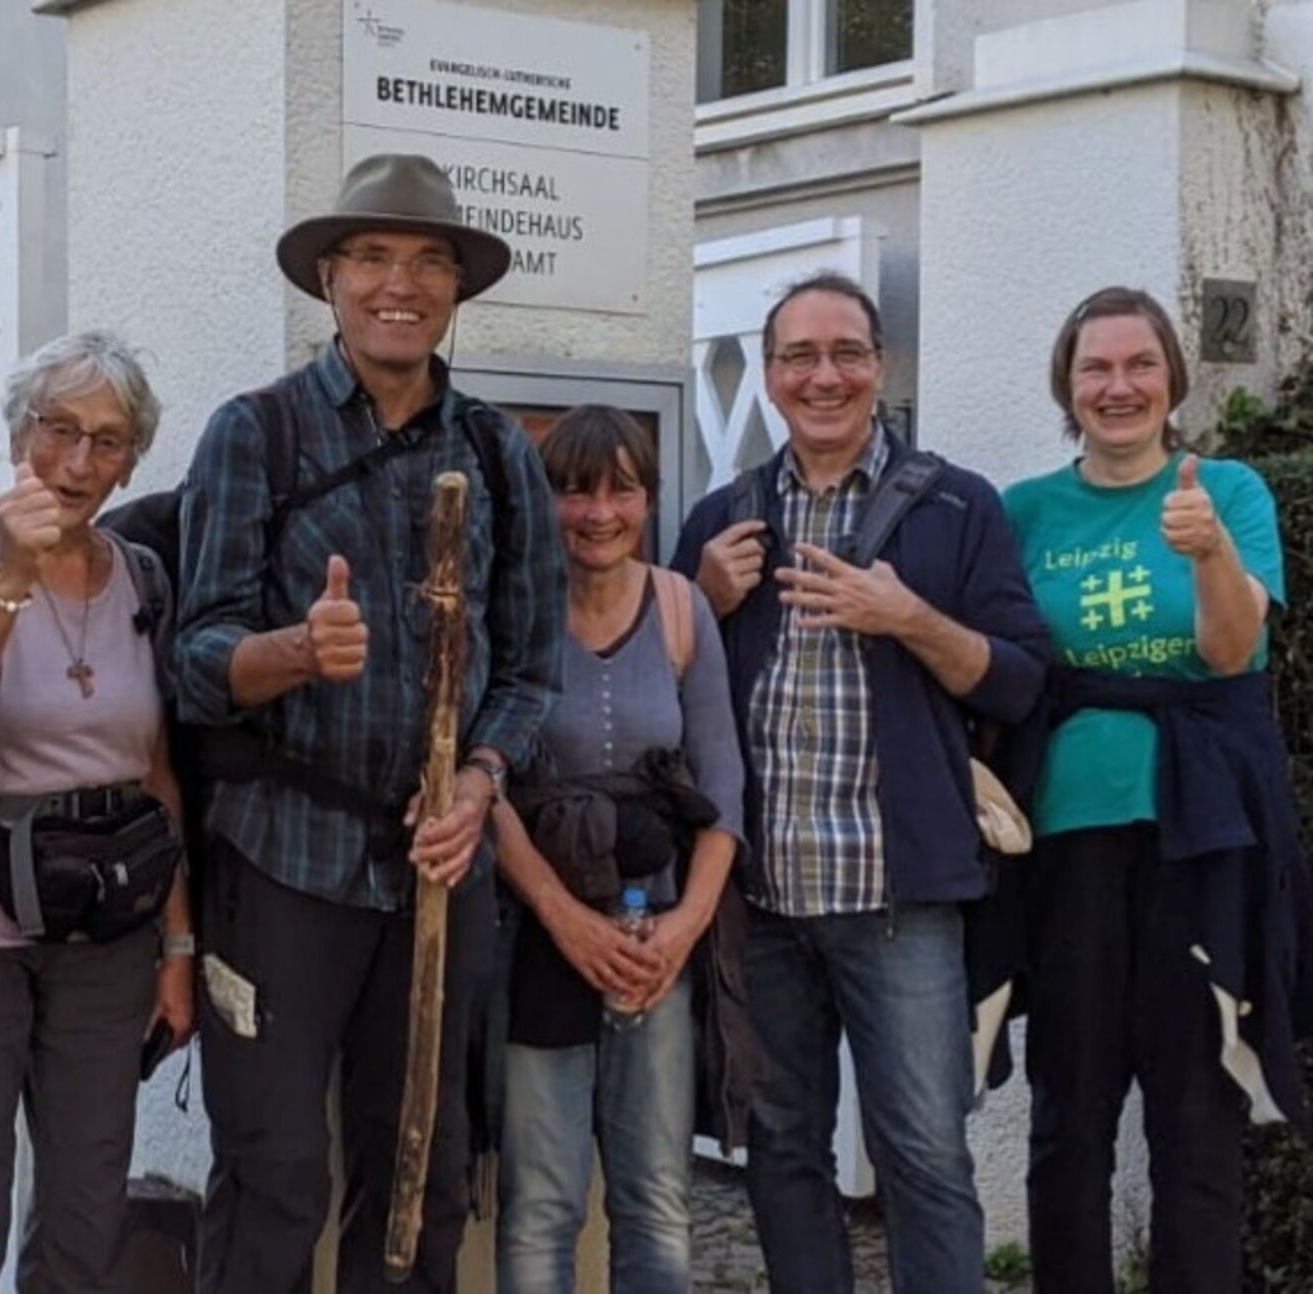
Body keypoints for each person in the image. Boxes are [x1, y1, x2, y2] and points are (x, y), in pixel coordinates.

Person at [175, 152, 561, 1293]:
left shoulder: (495, 453)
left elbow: (529, 666)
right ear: (330, 279)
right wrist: (293, 651)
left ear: (455, 287)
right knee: (274, 1167)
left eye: (428, 261)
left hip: (439, 869)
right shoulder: (255, 434)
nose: (402, 284)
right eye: (375, 259)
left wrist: (478, 783)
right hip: (282, 858)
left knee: (422, 1171)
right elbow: (194, 660)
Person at [670, 271, 1051, 1293]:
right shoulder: (725, 515)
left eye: (844, 353)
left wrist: (909, 619)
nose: (821, 375)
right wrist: (697, 600)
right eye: (797, 355)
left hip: (901, 896)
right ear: (768, 374)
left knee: (922, 1152)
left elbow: (1017, 681)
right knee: (782, 1151)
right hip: (761, 899)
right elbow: (662, 694)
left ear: (878, 368)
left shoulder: (952, 506)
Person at [1004, 287, 1309, 1294]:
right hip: (1064, 841)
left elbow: (1230, 654)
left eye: (1138, 365)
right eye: (1095, 367)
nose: (1117, 385)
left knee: (1195, 1112)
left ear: (1171, 378)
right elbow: (996, 673)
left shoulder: (1228, 492)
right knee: (1069, 1112)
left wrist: (1208, 548)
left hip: (1198, 838)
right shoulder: (1022, 512)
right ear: (1066, 384)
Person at [0, 330, 197, 1293]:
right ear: (18, 433)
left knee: (85, 1206)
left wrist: (178, 950)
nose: (77, 461)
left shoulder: (141, 576)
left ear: (132, 459)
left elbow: (157, 771)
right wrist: (12, 580)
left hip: (107, 926)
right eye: (58, 429)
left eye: (108, 441)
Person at [491, 406, 745, 1294]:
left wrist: (680, 932)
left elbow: (725, 795)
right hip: (537, 941)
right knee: (542, 1203)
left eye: (622, 490)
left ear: (648, 499)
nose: (599, 512)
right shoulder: (510, 615)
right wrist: (565, 922)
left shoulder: (681, 610)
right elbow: (482, 793)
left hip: (654, 945)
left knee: (655, 1196)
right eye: (575, 491)